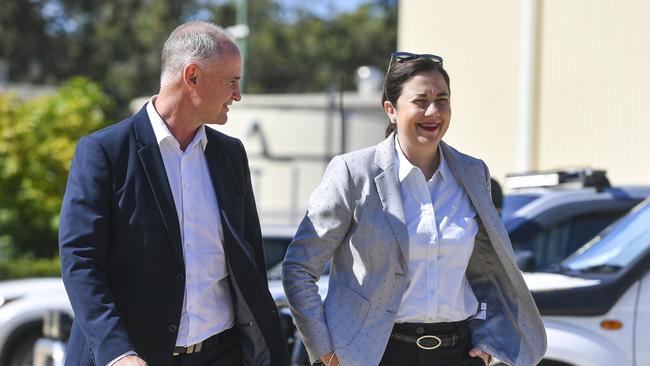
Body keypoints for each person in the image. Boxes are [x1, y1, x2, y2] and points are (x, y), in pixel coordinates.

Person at [282, 52, 546, 366]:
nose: (433, 111)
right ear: (391, 110)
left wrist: (488, 339)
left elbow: (487, 271)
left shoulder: (474, 173)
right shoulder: (352, 172)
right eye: (420, 101)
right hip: (374, 355)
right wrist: (325, 352)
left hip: (459, 353)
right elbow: (298, 268)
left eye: (442, 100)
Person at [59, 21, 289, 366]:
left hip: (222, 356)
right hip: (131, 358)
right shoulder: (104, 152)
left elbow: (250, 257)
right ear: (192, 76)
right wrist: (118, 353)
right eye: (232, 82)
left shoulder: (230, 155)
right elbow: (80, 261)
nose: (237, 95)